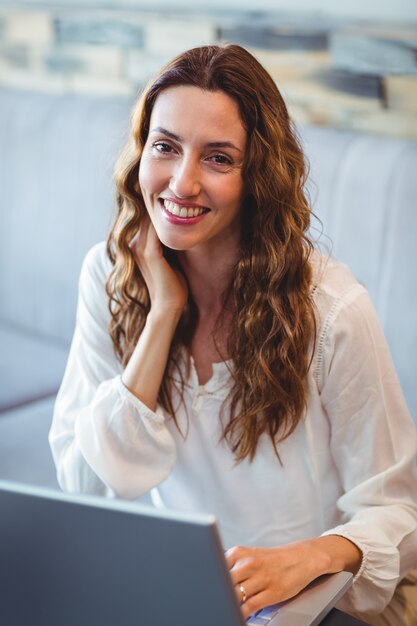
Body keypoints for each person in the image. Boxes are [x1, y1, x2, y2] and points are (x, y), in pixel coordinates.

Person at [49, 44, 417, 625]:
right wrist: (163, 313)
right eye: (164, 147)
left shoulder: (332, 310)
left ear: (258, 176)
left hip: (321, 603)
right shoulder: (111, 275)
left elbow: (398, 509)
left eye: (218, 159)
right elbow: (88, 483)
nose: (182, 182)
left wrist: (307, 559)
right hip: (197, 596)